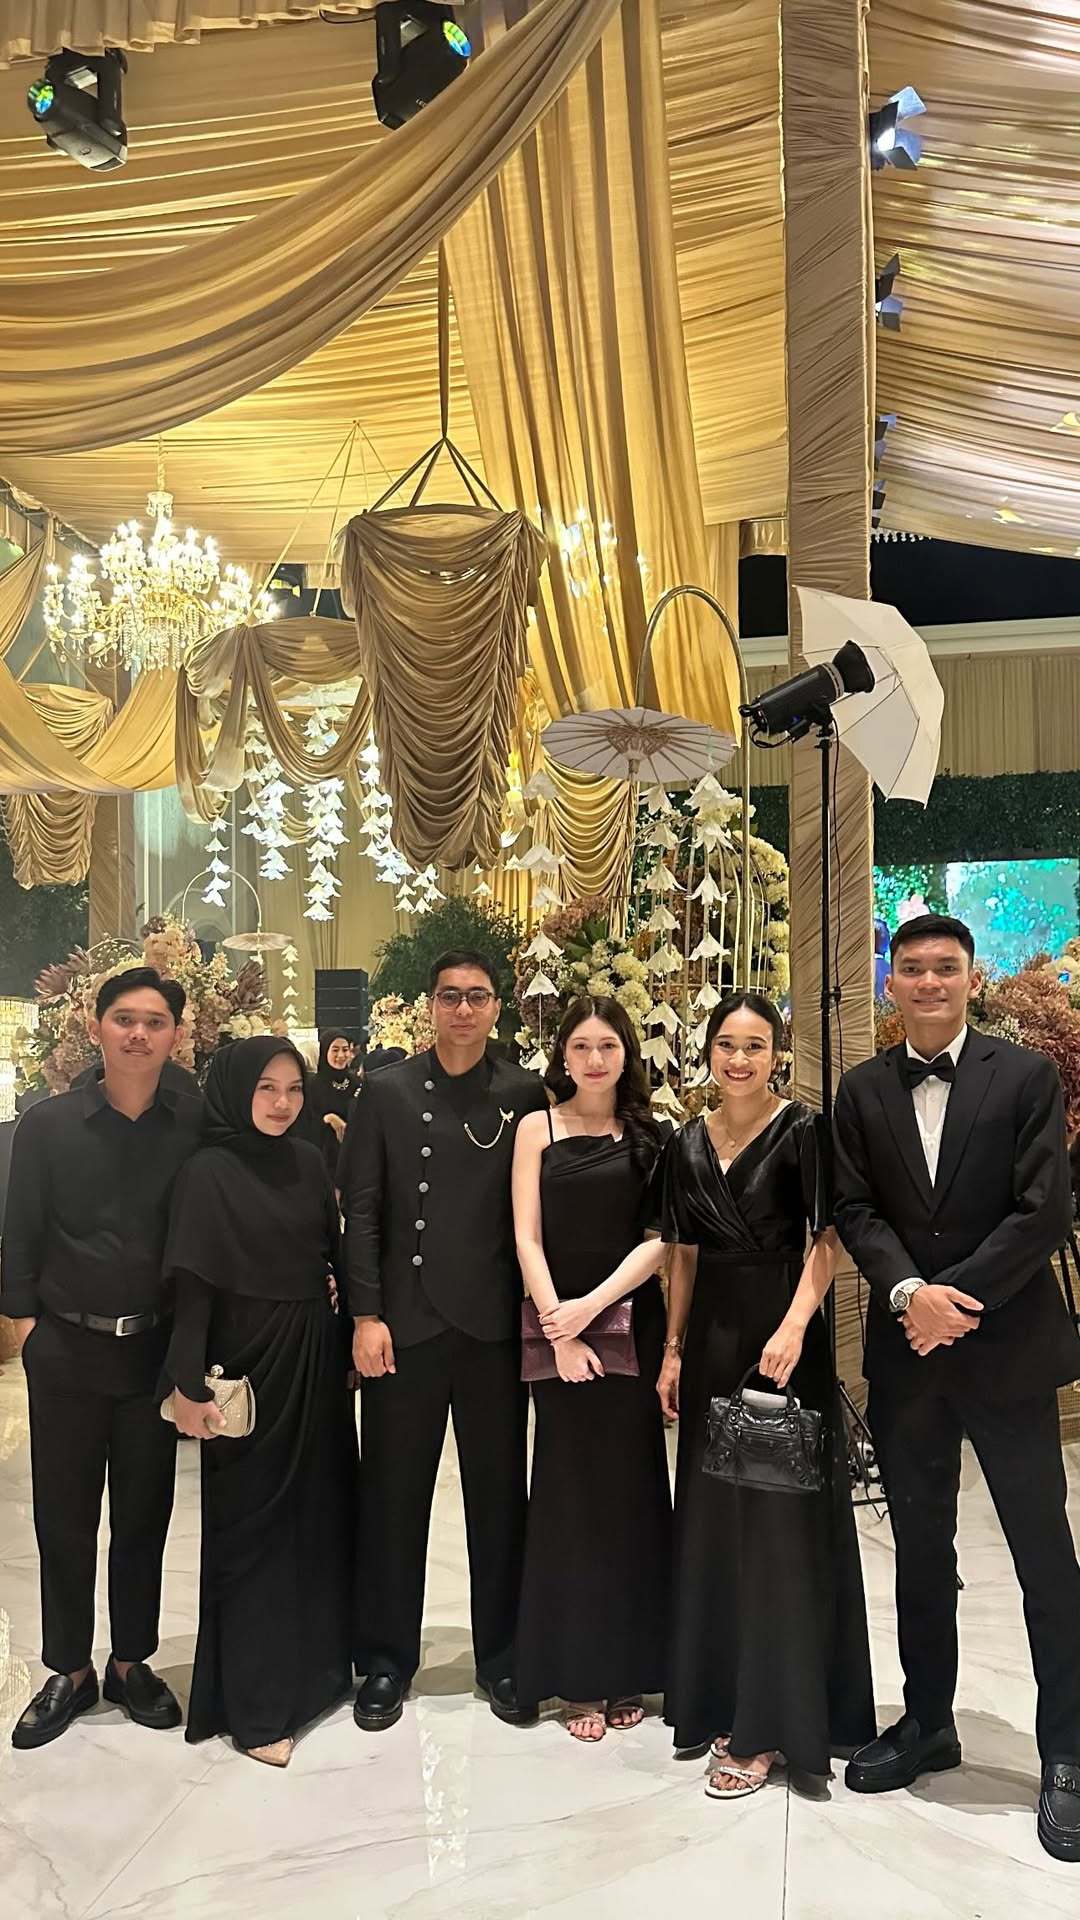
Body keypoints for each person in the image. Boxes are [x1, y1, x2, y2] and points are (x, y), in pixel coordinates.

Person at [833, 912, 1080, 1862]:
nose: (930, 982)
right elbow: (855, 1207)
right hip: (910, 1361)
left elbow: (1043, 1210)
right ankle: (929, 1721)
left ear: (972, 979)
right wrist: (909, 1295)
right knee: (921, 1552)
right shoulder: (862, 1089)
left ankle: (1067, 1750)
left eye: (946, 968)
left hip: (1007, 1354)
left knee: (1044, 1555)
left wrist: (954, 1301)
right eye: (913, 968)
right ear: (891, 983)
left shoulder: (1026, 1076)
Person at [657, 990, 875, 1799]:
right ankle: (724, 1698)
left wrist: (792, 1328)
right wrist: (673, 1349)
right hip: (712, 1345)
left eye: (755, 1045)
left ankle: (776, 1725)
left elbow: (827, 1239)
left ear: (777, 1054)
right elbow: (681, 1254)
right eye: (726, 1044)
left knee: (780, 1532)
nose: (739, 1059)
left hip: (784, 1348)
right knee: (718, 1528)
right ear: (708, 1051)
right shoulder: (684, 1143)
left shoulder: (806, 1130)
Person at [345, 949, 548, 1733]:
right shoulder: (386, 1091)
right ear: (429, 1005)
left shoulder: (523, 1092)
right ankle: (386, 1659)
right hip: (405, 1327)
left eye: (477, 997)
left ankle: (503, 1655)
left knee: (499, 1500)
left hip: (492, 1328)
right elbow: (362, 1211)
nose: (463, 1010)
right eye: (450, 996)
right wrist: (366, 1314)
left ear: (497, 1007)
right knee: (392, 1498)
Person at [1, 968, 203, 1751]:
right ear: (95, 1027)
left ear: (177, 1035)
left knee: (145, 1516)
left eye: (155, 1021)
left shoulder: (192, 1127)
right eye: (124, 1019)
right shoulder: (46, 1126)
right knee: (63, 1517)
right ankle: (68, 1669)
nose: (138, 1033)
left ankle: (129, 1662)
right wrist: (28, 1333)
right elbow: (21, 1235)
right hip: (66, 1349)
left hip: (151, 1352)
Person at [161, 1036, 356, 1768]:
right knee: (255, 1530)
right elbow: (192, 1288)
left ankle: (317, 1676)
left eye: (294, 1089)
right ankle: (256, 1706)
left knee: (317, 1514)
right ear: (235, 1091)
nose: (282, 1103)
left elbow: (331, 1255)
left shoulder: (308, 1160)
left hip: (313, 1355)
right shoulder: (207, 1172)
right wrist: (185, 1385)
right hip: (247, 1367)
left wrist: (348, 1337)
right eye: (266, 1088)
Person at [511, 998, 670, 1740]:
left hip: (629, 1327)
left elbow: (661, 1239)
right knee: (568, 1499)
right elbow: (526, 1238)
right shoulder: (536, 1129)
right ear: (563, 1056)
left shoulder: (651, 1136)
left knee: (632, 1494)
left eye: (609, 1045)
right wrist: (559, 1328)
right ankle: (576, 1678)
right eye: (581, 1046)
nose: (595, 1059)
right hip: (556, 1331)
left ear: (627, 1053)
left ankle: (629, 1667)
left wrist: (592, 1310)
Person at [305, 1029, 360, 1180]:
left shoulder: (357, 1083)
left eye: (345, 1050)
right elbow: (305, 1122)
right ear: (325, 1052)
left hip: (354, 1158)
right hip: (324, 1161)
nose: (341, 1055)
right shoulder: (312, 1085)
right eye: (335, 1050)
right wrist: (328, 1119)